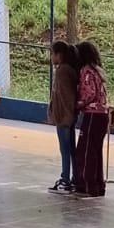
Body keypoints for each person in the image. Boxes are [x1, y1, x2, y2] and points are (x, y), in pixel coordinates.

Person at [72, 40, 109, 197]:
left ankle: (87, 184)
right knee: (95, 151)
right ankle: (98, 185)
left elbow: (90, 93)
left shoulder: (86, 71)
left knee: (86, 151)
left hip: (93, 115)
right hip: (102, 115)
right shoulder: (97, 71)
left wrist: (78, 104)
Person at [46, 40, 80, 194]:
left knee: (65, 149)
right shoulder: (69, 70)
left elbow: (66, 97)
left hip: (64, 118)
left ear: (59, 55)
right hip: (67, 117)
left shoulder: (62, 72)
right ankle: (75, 177)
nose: (51, 57)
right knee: (70, 149)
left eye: (52, 53)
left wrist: (65, 116)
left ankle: (65, 179)